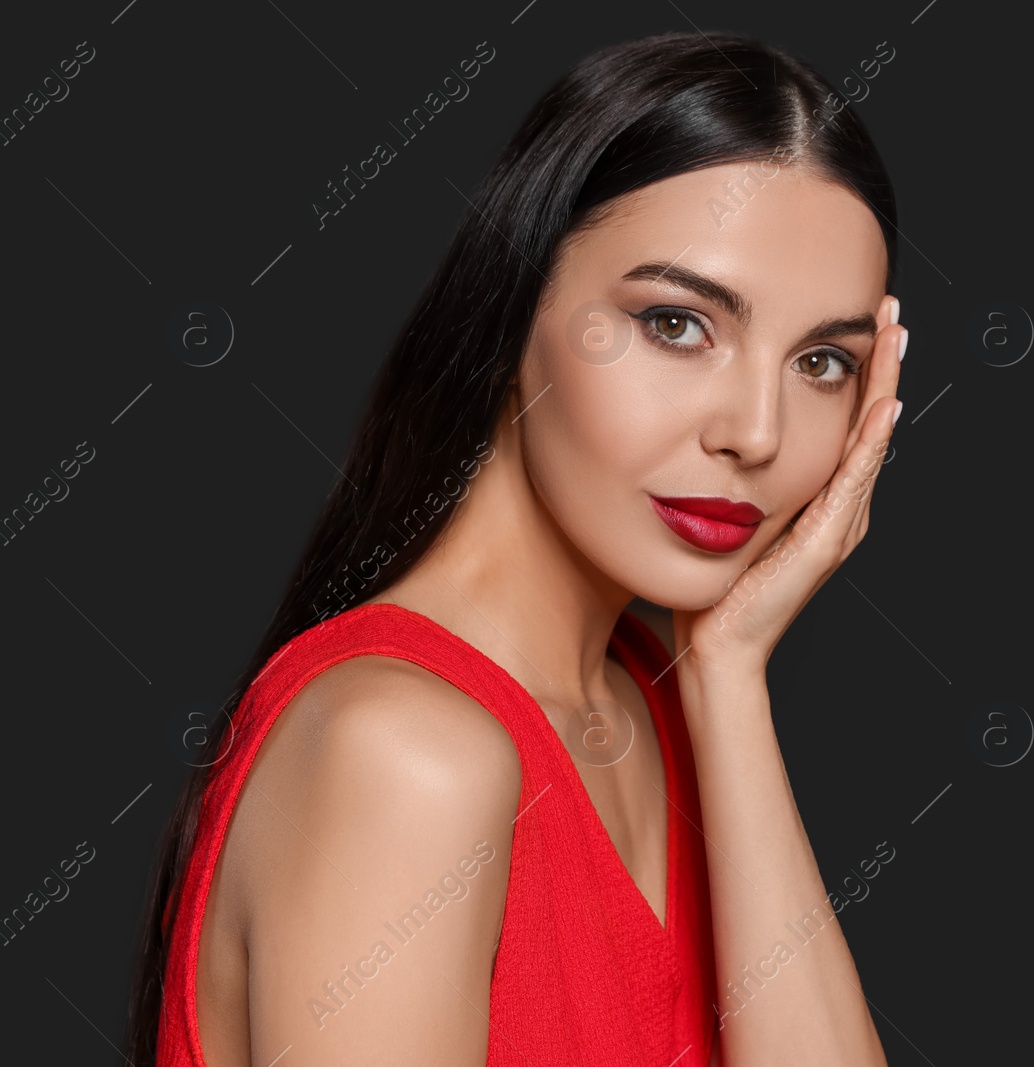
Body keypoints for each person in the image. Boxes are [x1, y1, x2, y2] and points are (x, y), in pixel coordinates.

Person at [126, 29, 908, 1067]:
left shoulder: (659, 702)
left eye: (821, 361)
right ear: (512, 314)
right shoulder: (403, 752)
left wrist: (727, 680)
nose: (755, 432)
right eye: (677, 324)